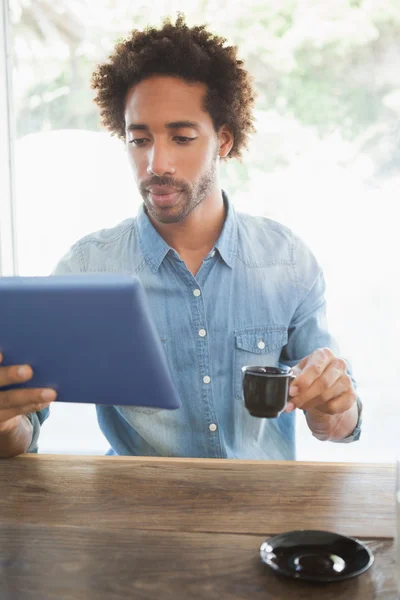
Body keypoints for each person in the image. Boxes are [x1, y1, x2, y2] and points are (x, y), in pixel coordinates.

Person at [0, 15, 362, 459]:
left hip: (264, 513)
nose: (157, 163)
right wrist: (5, 423)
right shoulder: (86, 268)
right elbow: (22, 433)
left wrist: (330, 408)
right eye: (139, 140)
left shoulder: (287, 261)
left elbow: (339, 423)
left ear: (223, 141)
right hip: (139, 516)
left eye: (182, 137)